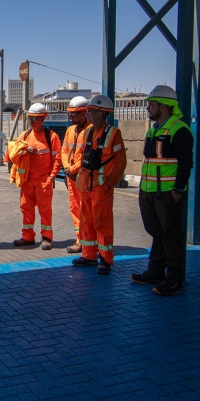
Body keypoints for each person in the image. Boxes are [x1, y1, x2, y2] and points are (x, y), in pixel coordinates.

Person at [132, 85, 194, 296]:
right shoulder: (153, 130)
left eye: (152, 104)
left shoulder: (179, 130)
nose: (148, 107)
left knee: (171, 236)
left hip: (167, 193)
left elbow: (186, 163)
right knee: (157, 233)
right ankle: (156, 271)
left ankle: (174, 279)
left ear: (165, 106)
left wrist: (178, 189)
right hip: (148, 191)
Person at [72, 94, 127, 275]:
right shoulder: (88, 132)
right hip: (86, 186)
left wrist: (109, 184)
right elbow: (83, 157)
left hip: (101, 187)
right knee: (86, 221)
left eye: (91, 111)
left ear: (102, 113)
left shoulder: (114, 134)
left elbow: (120, 162)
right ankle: (88, 255)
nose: (87, 114)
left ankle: (105, 259)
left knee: (102, 223)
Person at [8, 103, 62, 250]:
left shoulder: (52, 137)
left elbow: (57, 159)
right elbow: (13, 155)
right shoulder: (25, 136)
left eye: (35, 118)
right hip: (27, 180)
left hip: (43, 180)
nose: (31, 121)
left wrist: (51, 178)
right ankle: (27, 236)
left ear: (43, 118)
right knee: (26, 208)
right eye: (30, 118)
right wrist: (25, 151)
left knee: (45, 210)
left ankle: (46, 237)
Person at [60, 96, 90, 254]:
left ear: (85, 113)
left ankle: (87, 242)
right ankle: (80, 239)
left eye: (75, 114)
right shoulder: (70, 130)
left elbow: (87, 156)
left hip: (83, 178)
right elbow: (64, 150)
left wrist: (73, 169)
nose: (71, 117)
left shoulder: (91, 131)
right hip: (71, 177)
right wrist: (67, 168)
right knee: (75, 207)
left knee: (86, 210)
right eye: (70, 114)